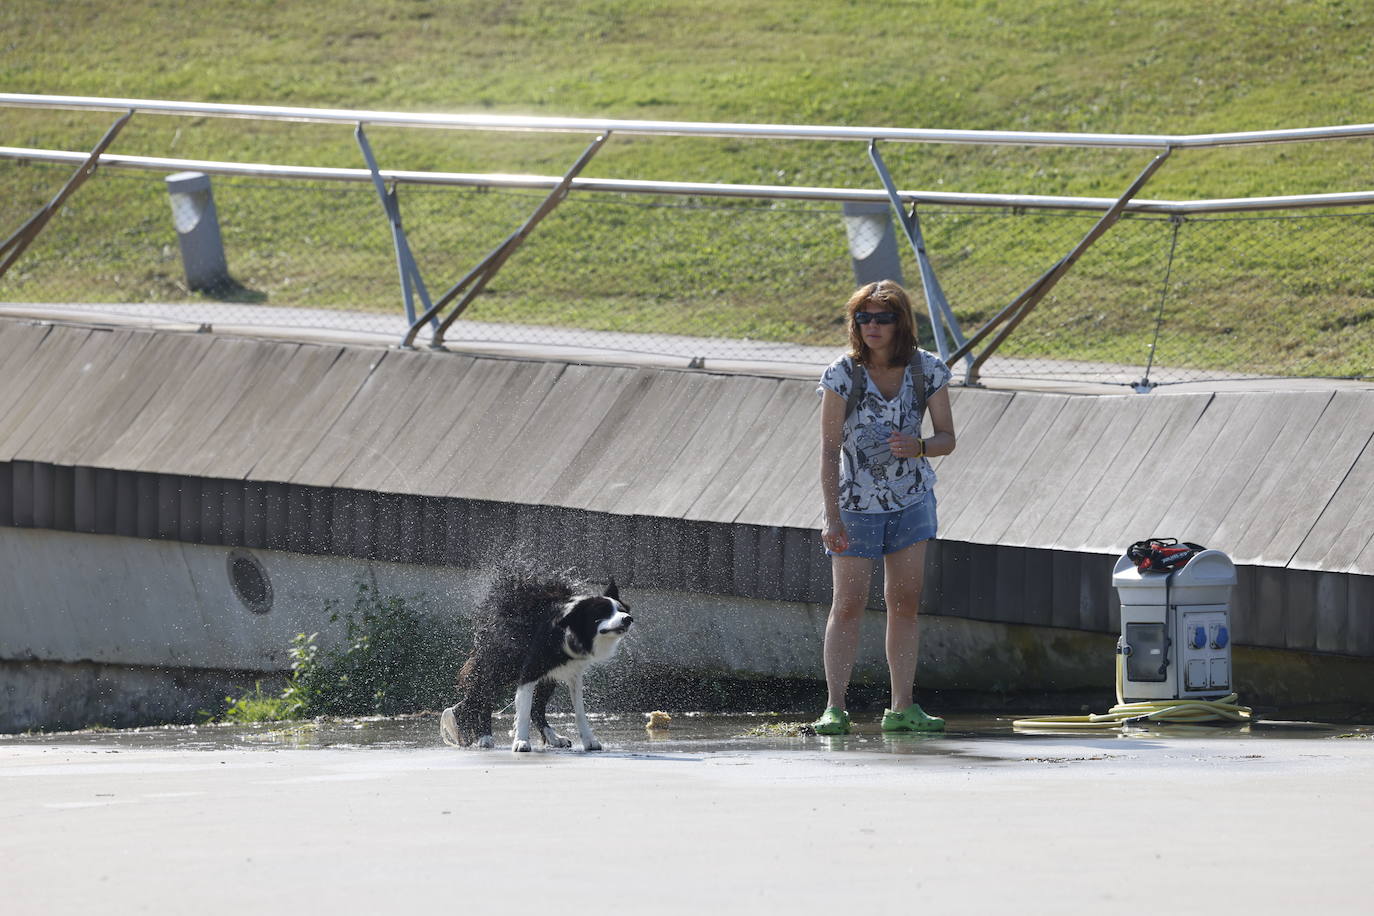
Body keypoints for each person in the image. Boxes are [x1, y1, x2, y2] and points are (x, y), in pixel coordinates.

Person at [811, 279, 956, 735]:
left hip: (912, 502)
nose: (872, 326)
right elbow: (828, 449)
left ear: (901, 322)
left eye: (883, 317)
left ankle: (902, 707)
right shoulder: (842, 373)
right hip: (855, 506)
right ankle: (835, 706)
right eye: (864, 317)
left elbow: (947, 438)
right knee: (848, 606)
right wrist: (832, 515)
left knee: (905, 605)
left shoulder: (926, 369)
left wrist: (919, 447)